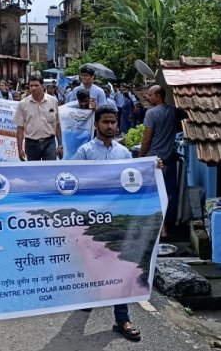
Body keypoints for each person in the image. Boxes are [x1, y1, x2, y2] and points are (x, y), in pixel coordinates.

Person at [70, 106, 143, 342]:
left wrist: (153, 170)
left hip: (117, 218)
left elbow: (134, 182)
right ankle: (89, 296)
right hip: (92, 220)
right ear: (96, 125)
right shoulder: (84, 152)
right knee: (91, 263)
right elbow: (72, 181)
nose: (110, 126)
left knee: (121, 267)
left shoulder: (124, 153)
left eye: (113, 122)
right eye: (105, 122)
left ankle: (122, 319)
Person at [139, 85, 179, 238]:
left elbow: (147, 138)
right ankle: (164, 226)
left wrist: (141, 158)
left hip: (153, 159)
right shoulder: (173, 111)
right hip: (168, 158)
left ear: (158, 96)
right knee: (166, 194)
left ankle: (161, 229)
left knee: (152, 195)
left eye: (150, 95)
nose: (148, 98)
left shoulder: (151, 113)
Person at [13, 74, 63, 161]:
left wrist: (60, 145)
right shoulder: (23, 104)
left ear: (43, 87)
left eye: (36, 85)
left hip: (49, 143)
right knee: (33, 172)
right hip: (31, 144)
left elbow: (57, 124)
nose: (33, 88)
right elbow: (20, 128)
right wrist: (20, 149)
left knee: (49, 170)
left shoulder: (53, 101)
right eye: (31, 86)